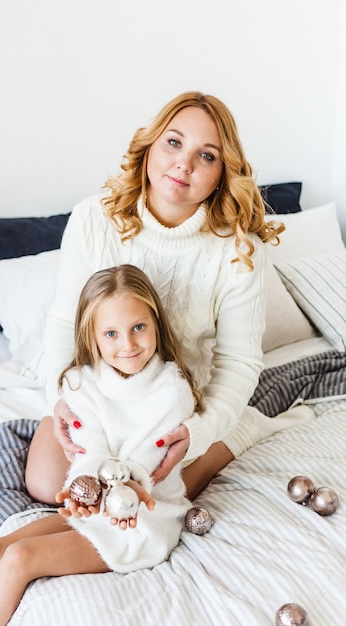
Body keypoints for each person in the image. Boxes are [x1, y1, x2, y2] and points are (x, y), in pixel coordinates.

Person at [26, 89, 311, 507]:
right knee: (45, 482)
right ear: (150, 147)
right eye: (174, 143)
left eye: (207, 156)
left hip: (175, 404)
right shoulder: (94, 219)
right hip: (99, 394)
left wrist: (200, 430)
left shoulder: (238, 249)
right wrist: (59, 400)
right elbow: (64, 324)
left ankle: (232, 435)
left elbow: (239, 362)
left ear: (221, 174)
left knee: (146, 492)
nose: (185, 163)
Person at [0, 264, 201, 626]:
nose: (128, 345)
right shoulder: (79, 384)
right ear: (93, 336)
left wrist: (124, 491)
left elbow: (143, 461)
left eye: (138, 328)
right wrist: (80, 490)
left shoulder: (172, 390)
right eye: (111, 333)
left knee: (20, 557)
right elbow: (91, 451)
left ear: (155, 324)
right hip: (96, 511)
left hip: (141, 523)